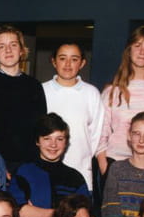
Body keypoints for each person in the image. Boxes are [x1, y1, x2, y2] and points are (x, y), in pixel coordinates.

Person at [9, 113, 90, 217]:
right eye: (47, 138)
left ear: (66, 143)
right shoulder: (24, 171)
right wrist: (63, 215)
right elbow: (18, 211)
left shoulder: (75, 178)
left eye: (59, 139)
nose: (53, 145)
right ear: (37, 141)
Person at [97, 27, 144, 177]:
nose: (142, 52)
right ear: (129, 50)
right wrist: (106, 168)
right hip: (115, 167)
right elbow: (100, 135)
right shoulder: (112, 91)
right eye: (137, 45)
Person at [0, 24, 46, 171]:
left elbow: (40, 129)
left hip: (28, 164)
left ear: (21, 50)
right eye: (1, 46)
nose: (8, 50)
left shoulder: (34, 86)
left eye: (13, 45)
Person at [42, 42, 104, 192]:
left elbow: (96, 135)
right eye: (62, 58)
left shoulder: (91, 93)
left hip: (81, 173)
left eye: (74, 59)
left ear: (82, 63)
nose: (68, 64)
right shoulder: (42, 91)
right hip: (45, 174)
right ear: (54, 61)